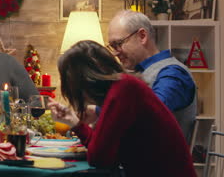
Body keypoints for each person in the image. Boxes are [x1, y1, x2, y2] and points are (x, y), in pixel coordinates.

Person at [48, 40, 196, 177]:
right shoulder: (122, 87)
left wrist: (78, 125)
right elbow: (103, 149)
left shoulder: (123, 90)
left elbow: (99, 158)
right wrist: (75, 123)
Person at [106, 10, 197, 142]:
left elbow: (150, 113)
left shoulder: (173, 73)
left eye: (118, 44)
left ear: (142, 36)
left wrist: (100, 110)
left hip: (161, 162)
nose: (115, 53)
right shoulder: (141, 72)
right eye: (112, 46)